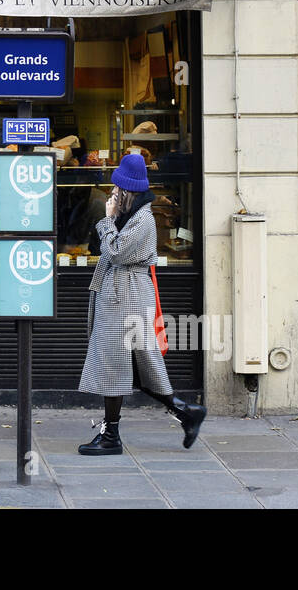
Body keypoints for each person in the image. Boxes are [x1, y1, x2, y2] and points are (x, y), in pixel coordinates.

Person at [77, 153, 206, 455]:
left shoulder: (143, 218)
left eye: (116, 189)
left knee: (116, 366)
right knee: (137, 368)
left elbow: (116, 252)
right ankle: (186, 412)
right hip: (122, 294)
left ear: (127, 191)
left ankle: (111, 436)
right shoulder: (132, 216)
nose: (112, 194)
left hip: (127, 297)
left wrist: (107, 220)